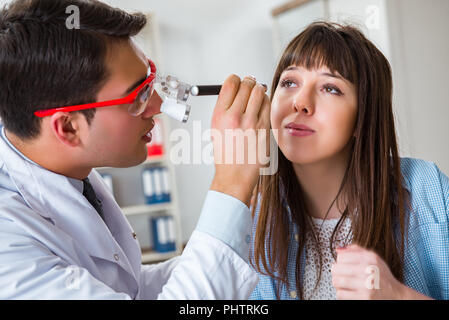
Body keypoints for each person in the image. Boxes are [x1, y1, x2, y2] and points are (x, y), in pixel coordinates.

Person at [0, 0, 270, 299]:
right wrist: (232, 182)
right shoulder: (9, 251)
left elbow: (127, 287)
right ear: (68, 128)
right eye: (139, 93)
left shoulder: (62, 168)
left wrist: (247, 248)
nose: (156, 106)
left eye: (150, 79)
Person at [249, 21, 449, 300]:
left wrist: (398, 296)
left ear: (362, 119)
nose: (300, 102)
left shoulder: (430, 191)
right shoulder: (254, 219)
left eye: (330, 88)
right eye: (289, 82)